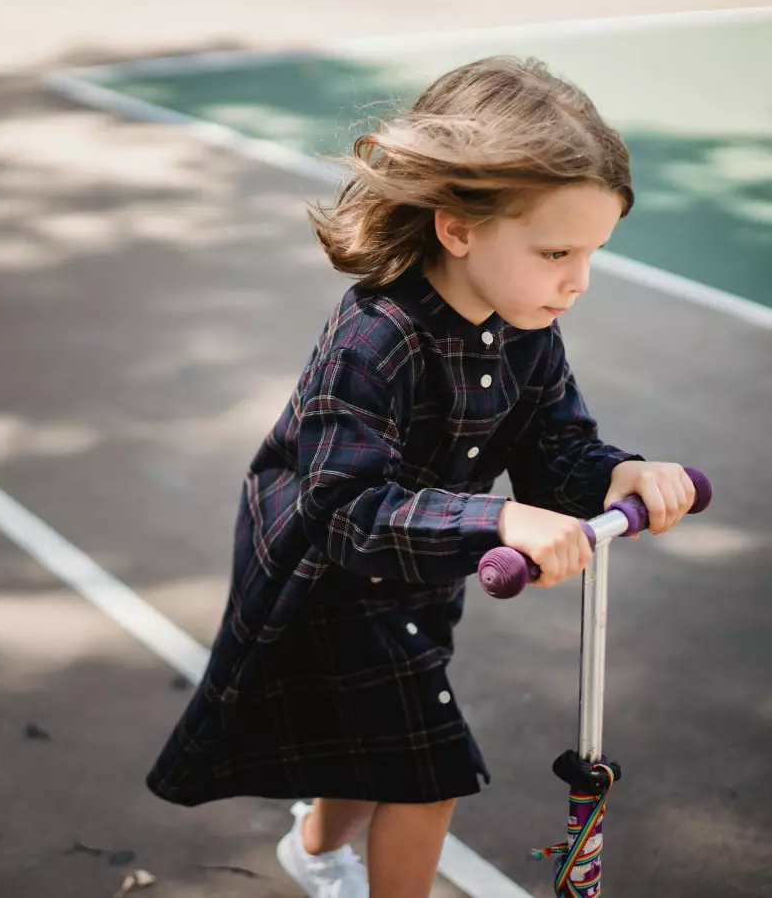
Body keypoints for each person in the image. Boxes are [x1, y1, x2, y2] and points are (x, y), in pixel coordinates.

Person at [144, 56, 698, 898]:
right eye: (556, 251)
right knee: (426, 769)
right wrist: (499, 521)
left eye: (593, 254)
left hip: (413, 578)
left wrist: (622, 472)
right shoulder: (376, 337)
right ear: (458, 228)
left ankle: (312, 851)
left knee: (370, 751)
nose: (577, 280)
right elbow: (346, 510)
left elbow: (558, 452)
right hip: (324, 582)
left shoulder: (527, 332)